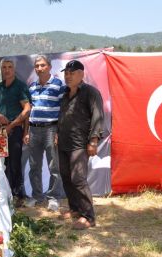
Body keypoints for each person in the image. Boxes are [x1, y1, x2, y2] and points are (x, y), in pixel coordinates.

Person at [57, 59, 104, 230]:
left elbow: (98, 118)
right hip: (63, 142)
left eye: (72, 73)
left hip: (79, 144)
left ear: (81, 74)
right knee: (66, 176)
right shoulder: (65, 93)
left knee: (78, 179)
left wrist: (93, 141)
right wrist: (57, 134)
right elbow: (63, 117)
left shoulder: (91, 93)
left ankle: (89, 217)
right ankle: (75, 209)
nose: (68, 76)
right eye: (66, 73)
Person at [22, 55, 65, 211]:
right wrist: (26, 132)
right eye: (37, 66)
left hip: (51, 129)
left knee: (54, 166)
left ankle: (54, 198)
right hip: (34, 129)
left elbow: (64, 111)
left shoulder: (58, 85)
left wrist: (58, 132)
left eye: (42, 65)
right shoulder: (32, 86)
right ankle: (37, 196)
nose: (39, 68)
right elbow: (29, 111)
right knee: (34, 166)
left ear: (49, 66)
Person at [0, 59, 32, 207]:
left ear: (14, 69)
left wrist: (12, 126)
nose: (7, 70)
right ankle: (4, 194)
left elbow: (27, 109)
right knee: (1, 164)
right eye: (4, 67)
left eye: (10, 67)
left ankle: (18, 195)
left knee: (15, 163)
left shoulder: (20, 86)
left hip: (14, 130)